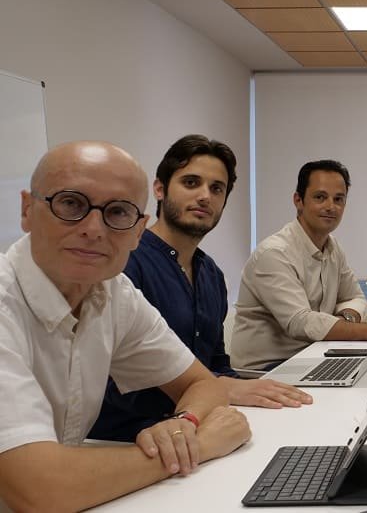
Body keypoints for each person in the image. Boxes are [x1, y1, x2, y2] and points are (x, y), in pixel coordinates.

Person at [0, 142, 251, 511]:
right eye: (70, 204)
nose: (93, 229)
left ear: (137, 231)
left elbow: (203, 384)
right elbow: (39, 488)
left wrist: (183, 424)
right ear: (27, 210)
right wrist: (198, 445)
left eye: (118, 212)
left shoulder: (113, 293)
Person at [90, 136, 311, 442]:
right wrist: (219, 389)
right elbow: (112, 382)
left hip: (199, 424)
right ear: (160, 189)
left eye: (216, 188)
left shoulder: (212, 275)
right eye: (191, 183)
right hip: (126, 441)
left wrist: (246, 391)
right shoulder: (125, 266)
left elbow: (217, 363)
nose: (205, 196)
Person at [231, 160, 367, 370]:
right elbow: (301, 323)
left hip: (315, 355)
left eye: (338, 199)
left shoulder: (333, 248)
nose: (331, 207)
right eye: (320, 197)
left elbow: (356, 298)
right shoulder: (274, 253)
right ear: (298, 200)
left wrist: (345, 318)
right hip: (267, 370)